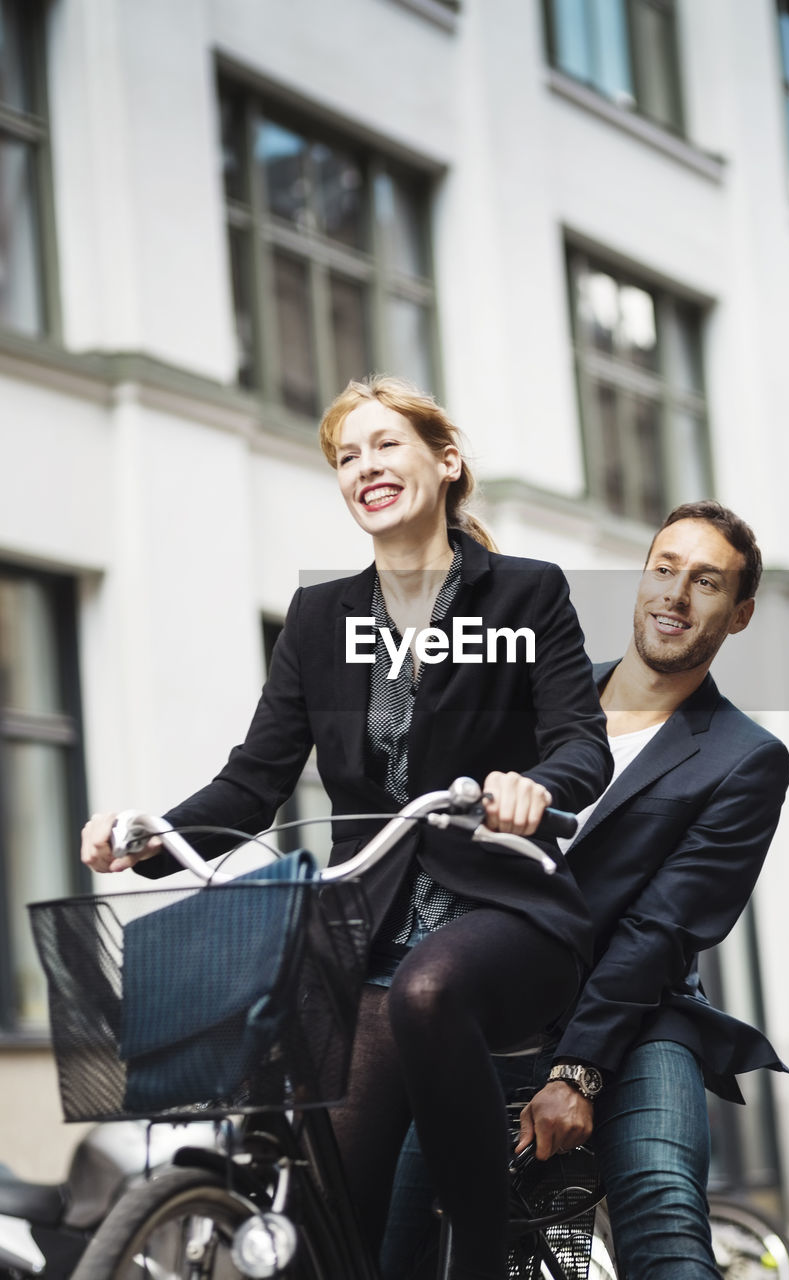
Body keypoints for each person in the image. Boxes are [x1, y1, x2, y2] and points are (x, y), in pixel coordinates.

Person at [80, 374, 612, 1280]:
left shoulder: (526, 594)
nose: (363, 466)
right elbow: (253, 783)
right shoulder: (321, 618)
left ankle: (483, 1255)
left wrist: (531, 784)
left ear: (446, 463)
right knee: (334, 1220)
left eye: (384, 445)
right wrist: (147, 835)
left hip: (505, 914)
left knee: (427, 992)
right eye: (345, 455)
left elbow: (579, 744)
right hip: (364, 926)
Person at [383, 500, 789, 1280]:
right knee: (397, 1237)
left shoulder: (746, 758)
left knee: (664, 1208)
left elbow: (661, 928)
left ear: (737, 616)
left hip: (636, 1021)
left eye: (704, 582)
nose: (674, 596)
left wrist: (576, 1071)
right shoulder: (543, 697)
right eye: (663, 570)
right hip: (498, 1010)